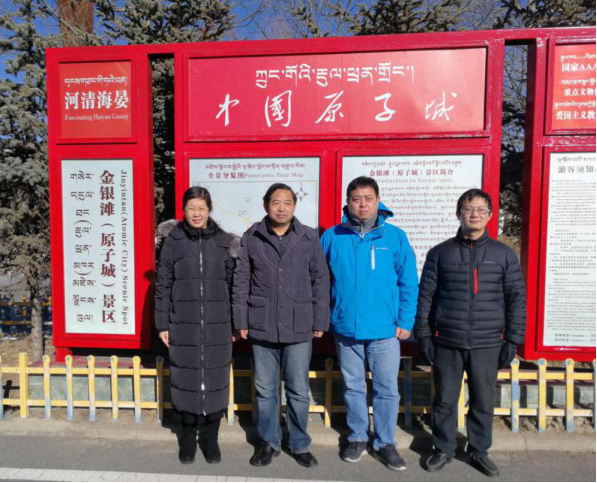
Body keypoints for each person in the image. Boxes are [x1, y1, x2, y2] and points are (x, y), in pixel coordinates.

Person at [415, 188, 526, 478]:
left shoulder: (504, 255)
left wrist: (513, 339)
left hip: (487, 342)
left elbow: (516, 298)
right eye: (468, 209)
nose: (474, 214)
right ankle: (443, 448)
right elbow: (426, 296)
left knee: (483, 401)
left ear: (490, 215)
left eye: (480, 209)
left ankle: (479, 451)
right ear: (458, 213)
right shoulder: (440, 253)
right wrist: (424, 335)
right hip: (447, 340)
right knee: (444, 400)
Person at [320, 176, 419, 472]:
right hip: (345, 328)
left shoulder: (394, 237)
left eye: (368, 198)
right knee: (353, 386)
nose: (362, 204)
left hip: (385, 329)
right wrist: (326, 316)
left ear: (378, 201)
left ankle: (385, 442)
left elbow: (408, 282)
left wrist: (405, 320)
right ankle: (358, 437)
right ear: (347, 202)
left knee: (387, 388)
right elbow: (320, 281)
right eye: (356, 199)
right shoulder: (332, 237)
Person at [232, 183, 330, 469]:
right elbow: (241, 281)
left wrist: (319, 319)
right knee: (265, 389)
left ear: (294, 206)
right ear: (266, 206)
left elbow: (320, 279)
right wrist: (241, 320)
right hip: (262, 324)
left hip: (299, 326)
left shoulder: (308, 237)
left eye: (287, 202)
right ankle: (269, 442)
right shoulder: (252, 237)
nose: (282, 208)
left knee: (298, 389)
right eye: (276, 202)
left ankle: (299, 444)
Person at [155, 187, 236, 465]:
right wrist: (162, 323)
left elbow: (232, 285)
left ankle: (211, 438)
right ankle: (187, 437)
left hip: (218, 324)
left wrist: (235, 323)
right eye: (191, 208)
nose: (197, 213)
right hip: (183, 323)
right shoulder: (174, 242)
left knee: (216, 382)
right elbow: (163, 284)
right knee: (185, 380)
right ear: (184, 210)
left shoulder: (223, 242)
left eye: (201, 208)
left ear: (209, 209)